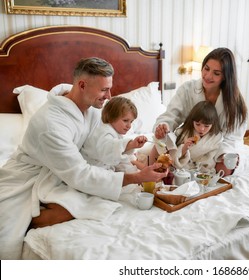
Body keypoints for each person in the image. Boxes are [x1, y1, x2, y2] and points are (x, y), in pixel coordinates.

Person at [0, 57, 167, 259]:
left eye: (109, 88)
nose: (109, 96)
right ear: (81, 85)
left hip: (66, 171)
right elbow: (80, 174)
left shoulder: (92, 111)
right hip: (29, 177)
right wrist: (137, 178)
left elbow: (105, 146)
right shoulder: (51, 124)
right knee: (59, 213)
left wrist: (136, 166)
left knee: (90, 199)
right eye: (104, 90)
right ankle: (28, 222)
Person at [154, 47, 248, 175]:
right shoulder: (187, 89)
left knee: (224, 168)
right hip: (187, 144)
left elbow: (232, 138)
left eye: (216, 73)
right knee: (157, 153)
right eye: (206, 69)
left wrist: (224, 154)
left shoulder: (234, 102)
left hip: (215, 148)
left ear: (225, 76)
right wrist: (164, 127)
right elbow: (171, 116)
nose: (208, 76)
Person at [81, 96, 148, 173]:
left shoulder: (114, 133)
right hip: (93, 171)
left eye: (131, 122)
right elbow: (109, 149)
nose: (129, 126)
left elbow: (118, 155)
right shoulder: (103, 132)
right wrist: (131, 144)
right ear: (112, 117)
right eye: (125, 120)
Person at [153, 100, 223, 171]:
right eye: (198, 124)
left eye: (207, 126)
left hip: (203, 171)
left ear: (213, 124)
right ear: (193, 121)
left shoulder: (216, 138)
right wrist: (185, 148)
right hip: (183, 169)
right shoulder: (182, 133)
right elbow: (172, 156)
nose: (201, 129)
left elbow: (211, 160)